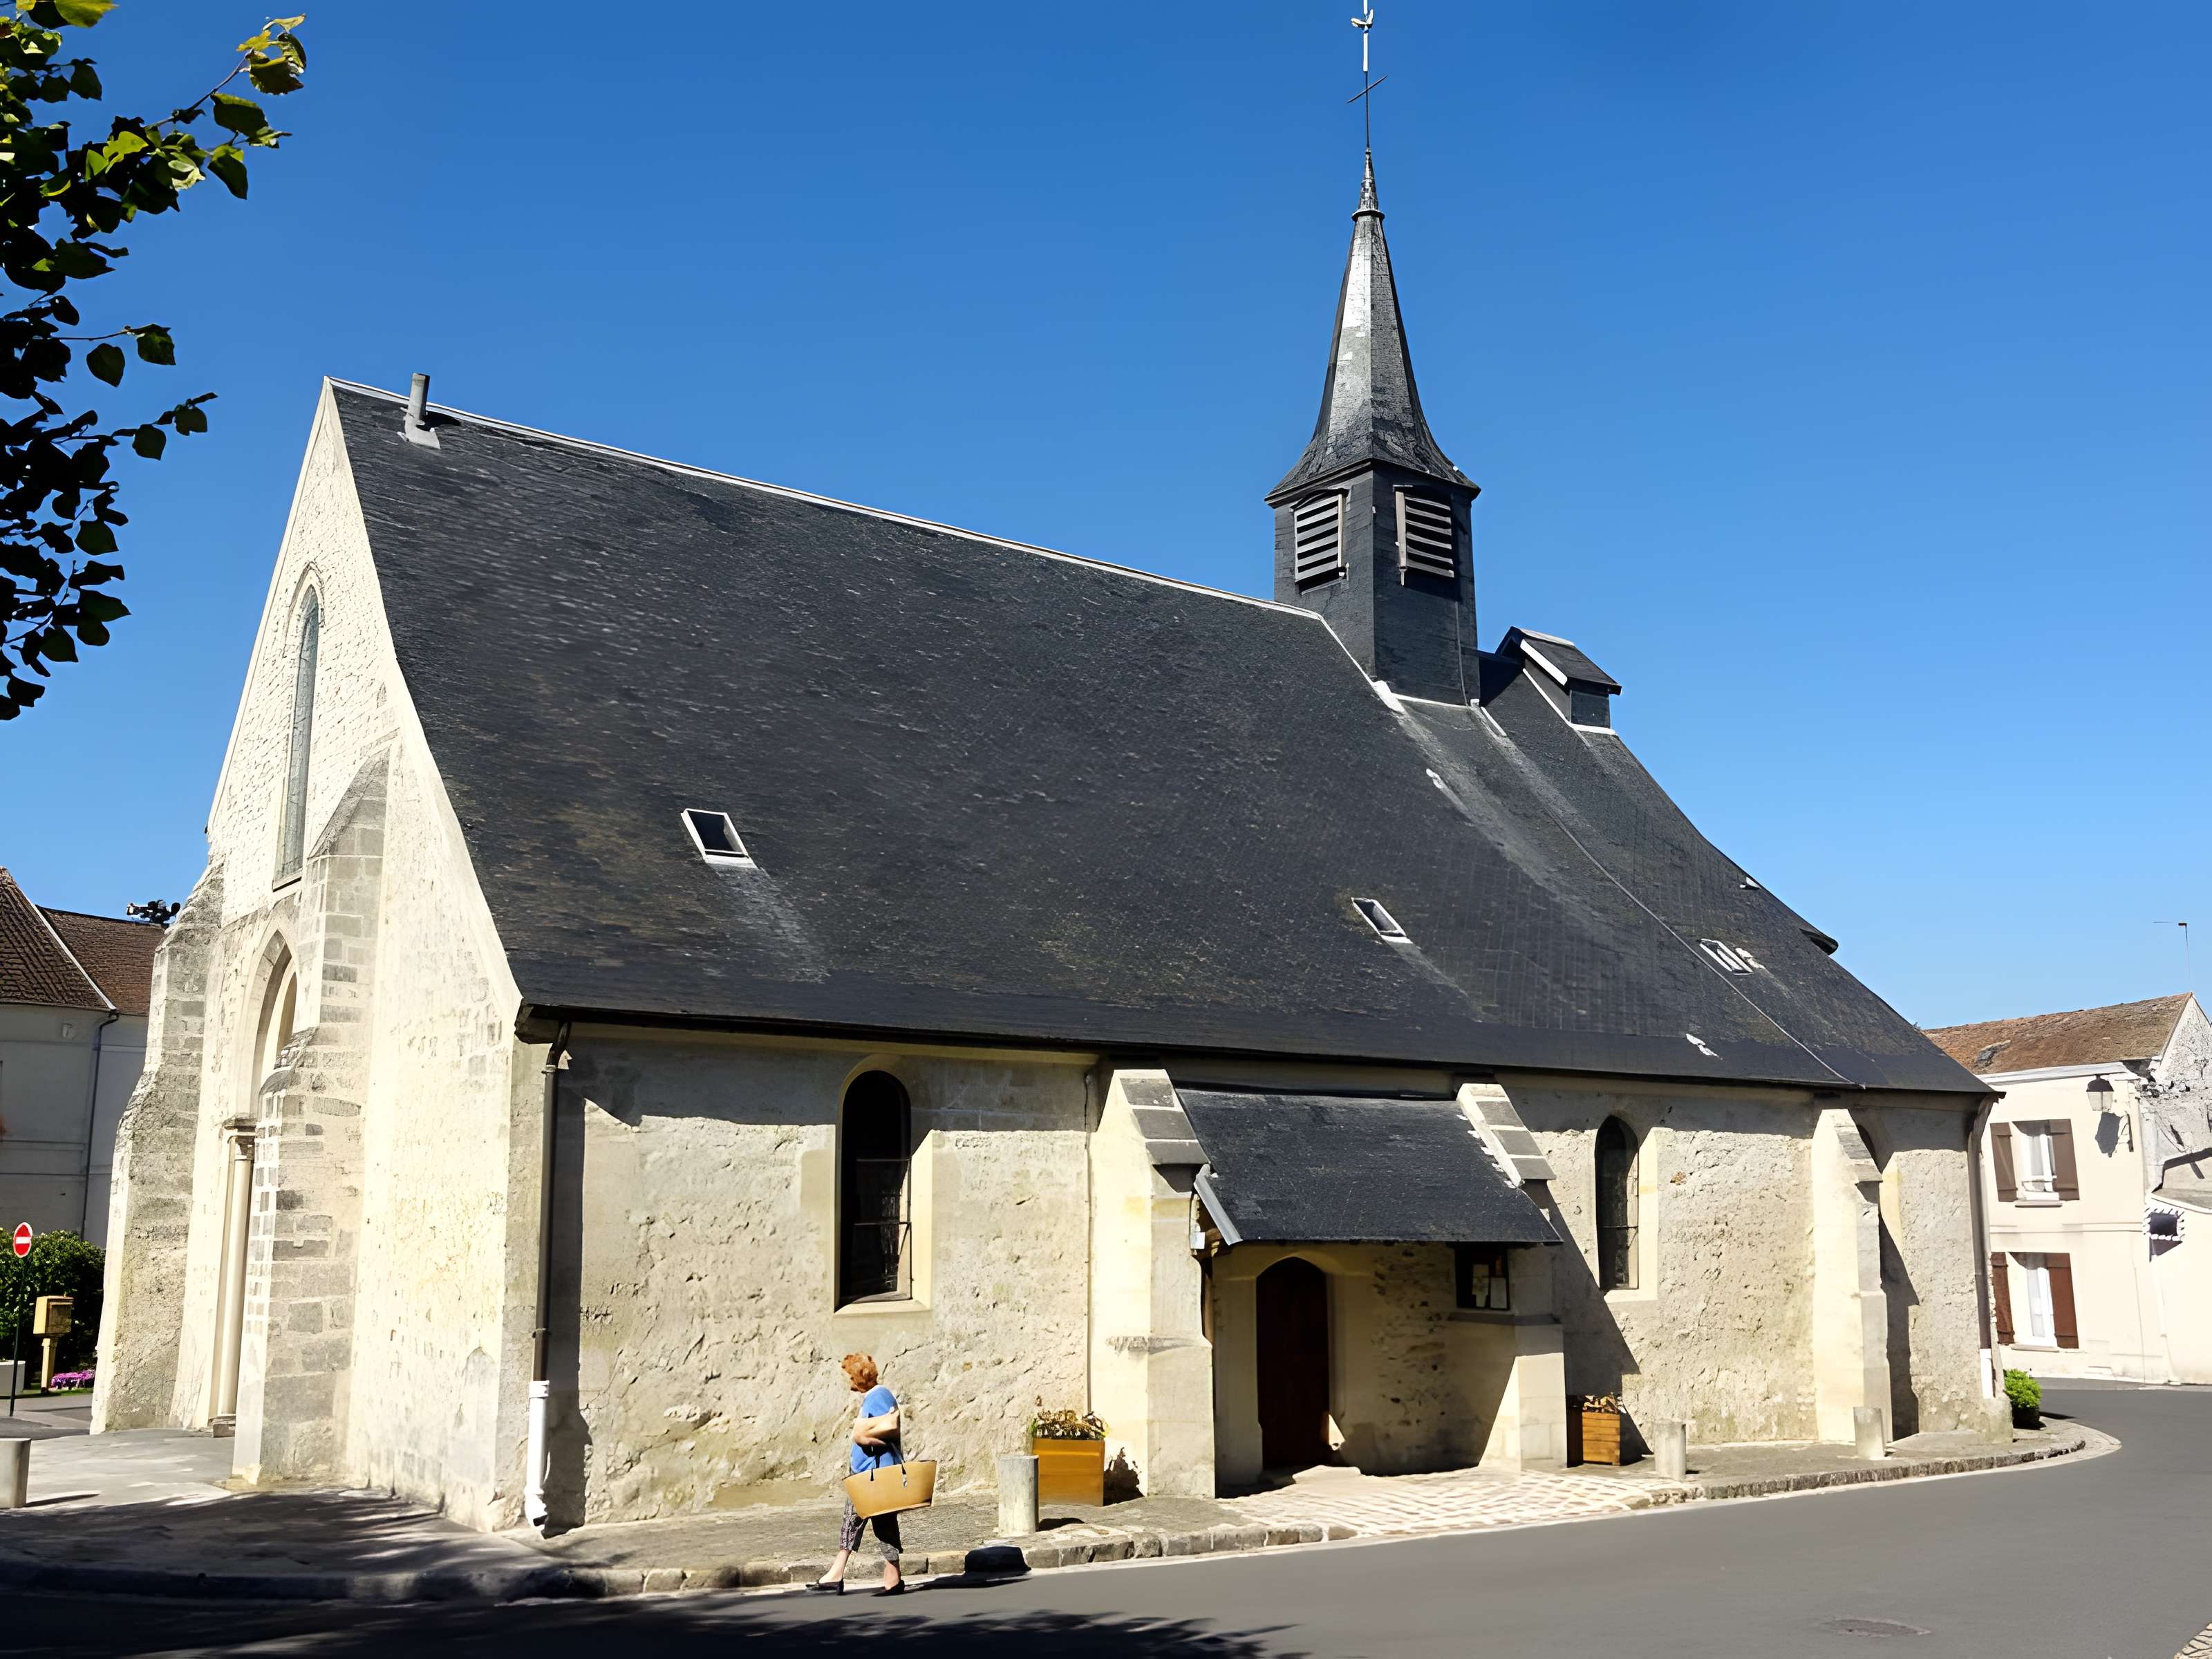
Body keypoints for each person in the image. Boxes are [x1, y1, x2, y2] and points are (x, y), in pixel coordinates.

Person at [810, 1353, 906, 1595]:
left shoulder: (878, 1396)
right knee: (875, 1522)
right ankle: (888, 1577)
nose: (847, 1381)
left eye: (848, 1376)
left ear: (857, 1378)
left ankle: (838, 1575)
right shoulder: (877, 1395)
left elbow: (890, 1429)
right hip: (870, 1474)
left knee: (859, 1521)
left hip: (872, 1476)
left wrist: (863, 1437)